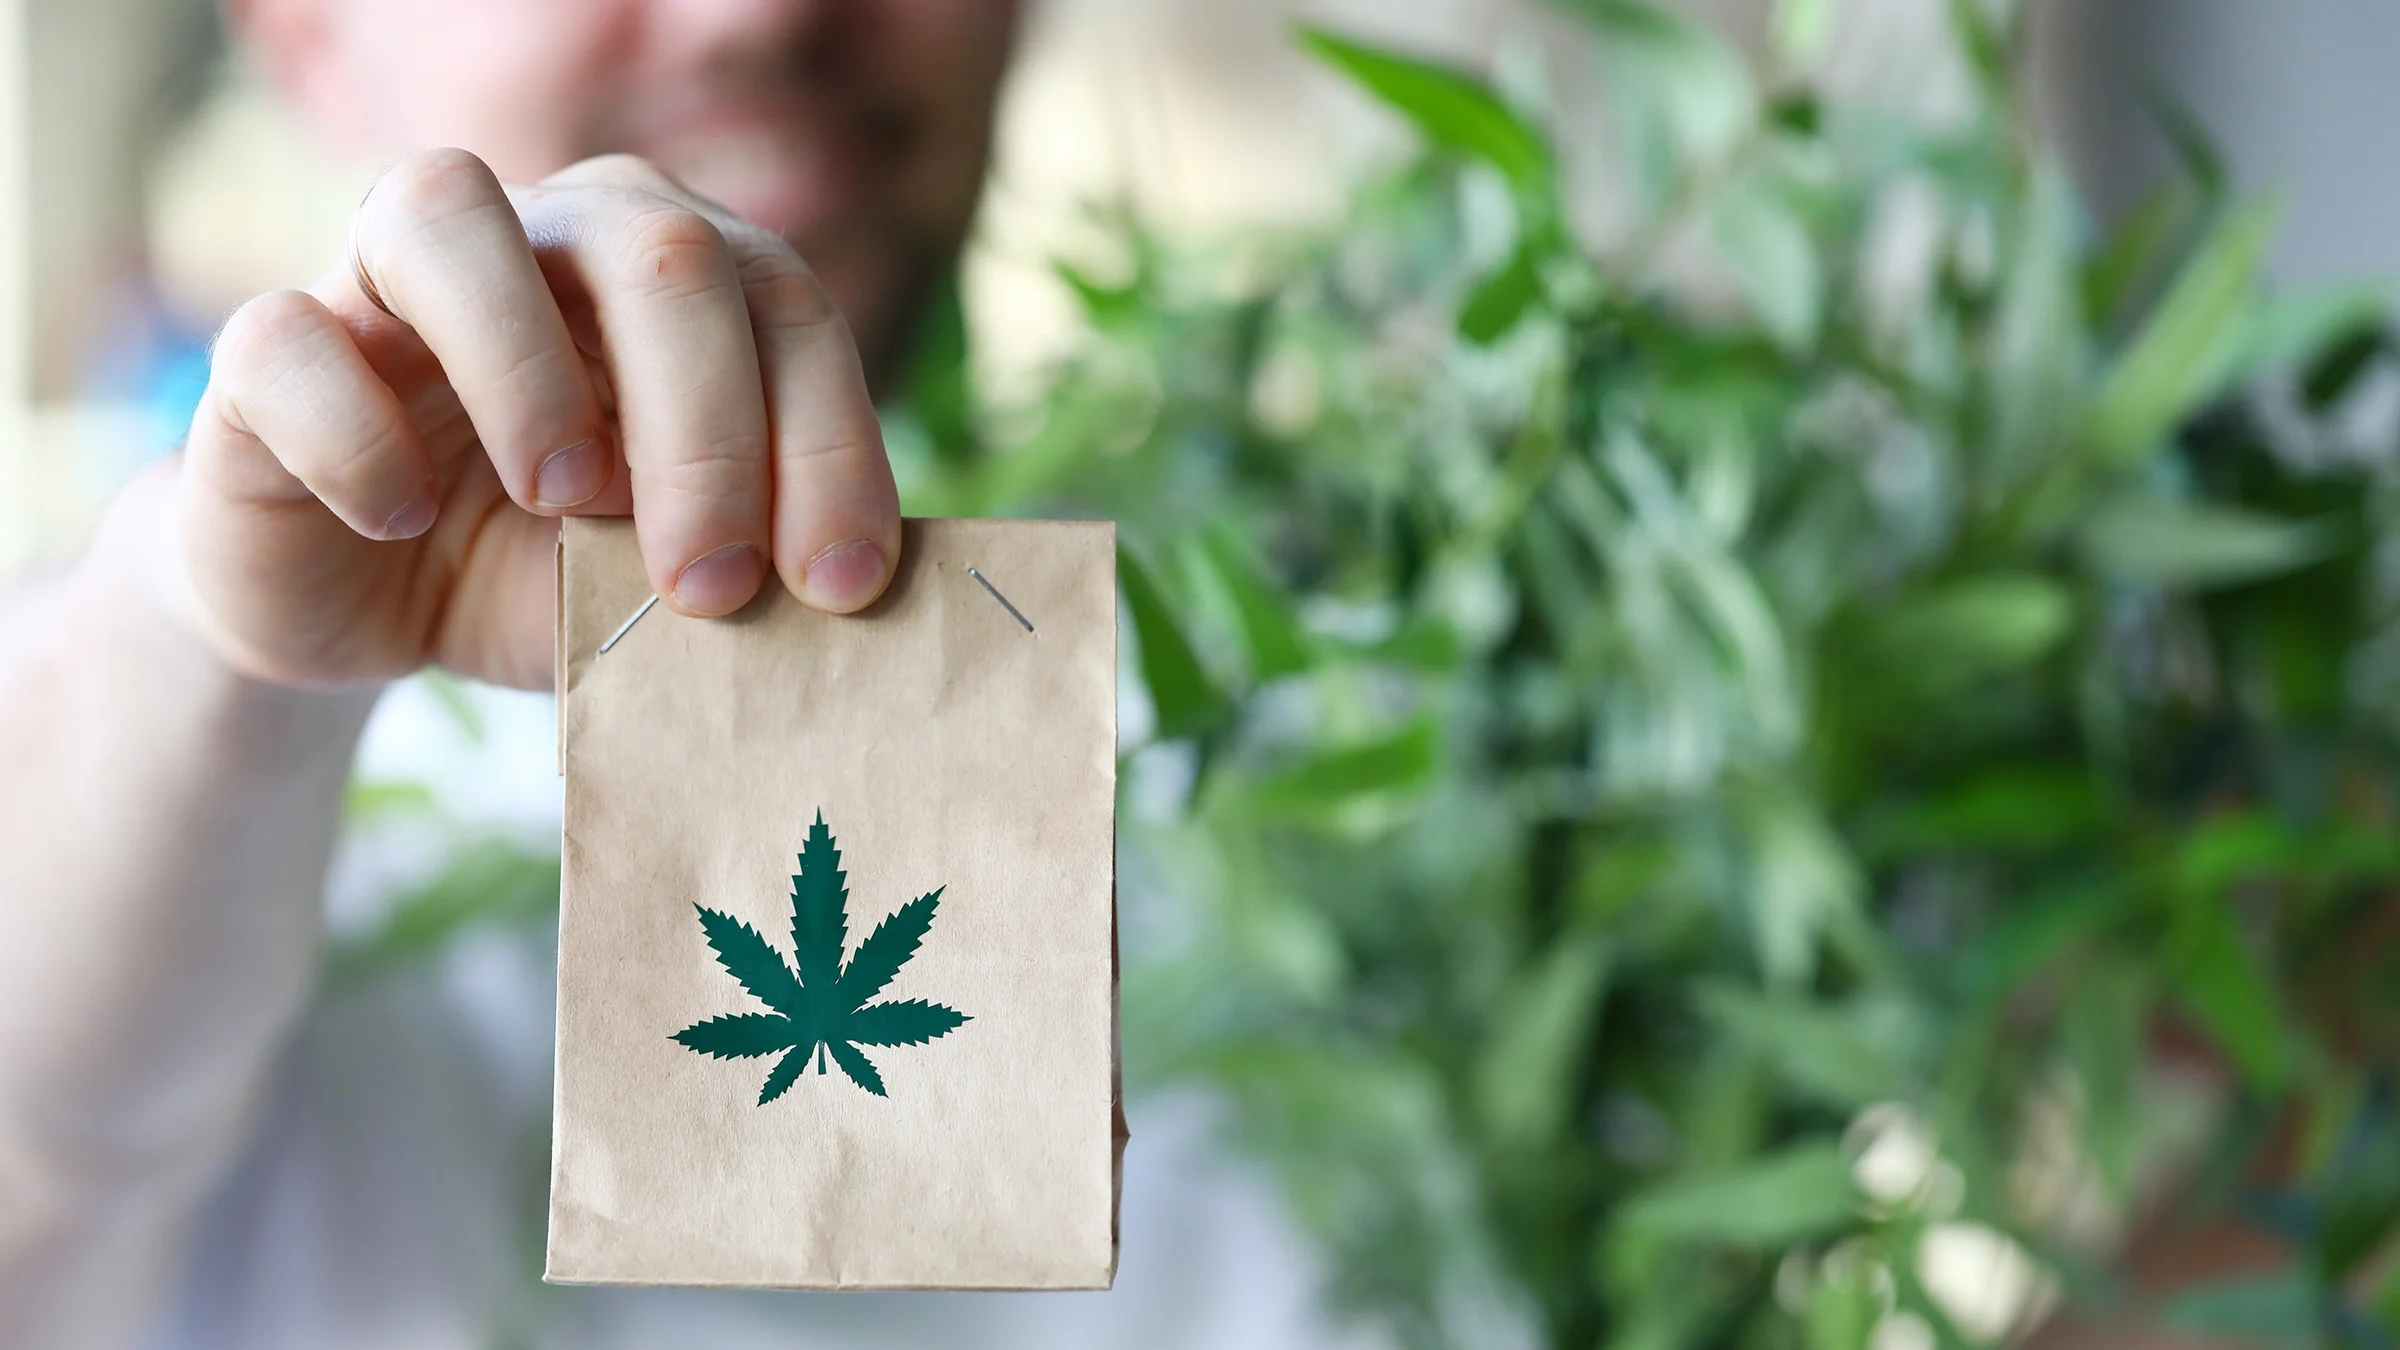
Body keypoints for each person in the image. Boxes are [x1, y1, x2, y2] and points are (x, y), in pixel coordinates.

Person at [0, 2, 1020, 1345]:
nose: (759, 12)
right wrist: (222, 652)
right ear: (308, 39)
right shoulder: (156, 724)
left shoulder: (1288, 699)